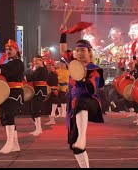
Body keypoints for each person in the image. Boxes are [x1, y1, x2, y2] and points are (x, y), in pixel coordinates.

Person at [60, 23, 105, 168]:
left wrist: (83, 78)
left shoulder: (94, 69)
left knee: (82, 101)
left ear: (90, 53)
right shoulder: (72, 64)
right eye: (77, 50)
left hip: (90, 102)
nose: (79, 53)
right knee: (75, 146)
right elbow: (62, 50)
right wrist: (63, 33)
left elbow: (92, 89)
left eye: (83, 50)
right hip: (73, 107)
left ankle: (82, 137)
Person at [29, 55, 48, 136]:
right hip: (38, 91)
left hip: (40, 91)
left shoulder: (41, 69)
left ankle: (39, 129)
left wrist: (29, 75)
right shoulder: (41, 69)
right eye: (34, 61)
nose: (35, 62)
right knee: (34, 110)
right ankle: (38, 128)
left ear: (41, 61)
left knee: (35, 110)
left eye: (37, 60)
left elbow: (32, 78)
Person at [45, 59, 59, 125]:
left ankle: (53, 113)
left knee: (53, 101)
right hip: (48, 90)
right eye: (47, 65)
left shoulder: (54, 73)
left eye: (50, 65)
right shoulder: (49, 73)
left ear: (53, 66)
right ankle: (52, 120)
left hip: (53, 90)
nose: (48, 66)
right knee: (48, 105)